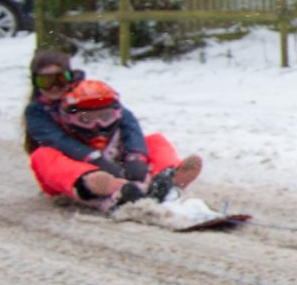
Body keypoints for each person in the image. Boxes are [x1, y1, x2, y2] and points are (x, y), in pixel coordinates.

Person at [26, 66, 202, 208]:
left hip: (117, 163)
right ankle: (92, 184)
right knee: (42, 155)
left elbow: (131, 127)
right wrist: (94, 159)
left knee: (154, 140)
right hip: (75, 167)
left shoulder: (106, 103)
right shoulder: (38, 112)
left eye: (105, 117)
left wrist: (136, 157)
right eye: (86, 119)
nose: (97, 125)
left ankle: (167, 176)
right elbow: (58, 140)